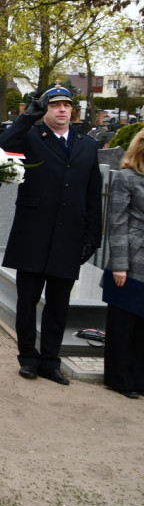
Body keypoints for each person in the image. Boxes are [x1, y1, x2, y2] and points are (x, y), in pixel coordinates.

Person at [0, 85, 102, 385]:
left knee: (59, 303)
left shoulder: (87, 145)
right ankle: (28, 358)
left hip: (69, 235)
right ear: (47, 110)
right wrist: (28, 117)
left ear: (73, 111)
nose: (62, 110)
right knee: (27, 301)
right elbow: (0, 148)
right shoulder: (31, 137)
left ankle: (50, 360)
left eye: (66, 105)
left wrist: (93, 235)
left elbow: (94, 194)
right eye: (55, 106)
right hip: (33, 233)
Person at [102, 128, 144, 398]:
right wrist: (119, 264)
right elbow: (116, 223)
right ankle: (121, 379)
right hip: (130, 257)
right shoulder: (128, 177)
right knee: (124, 324)